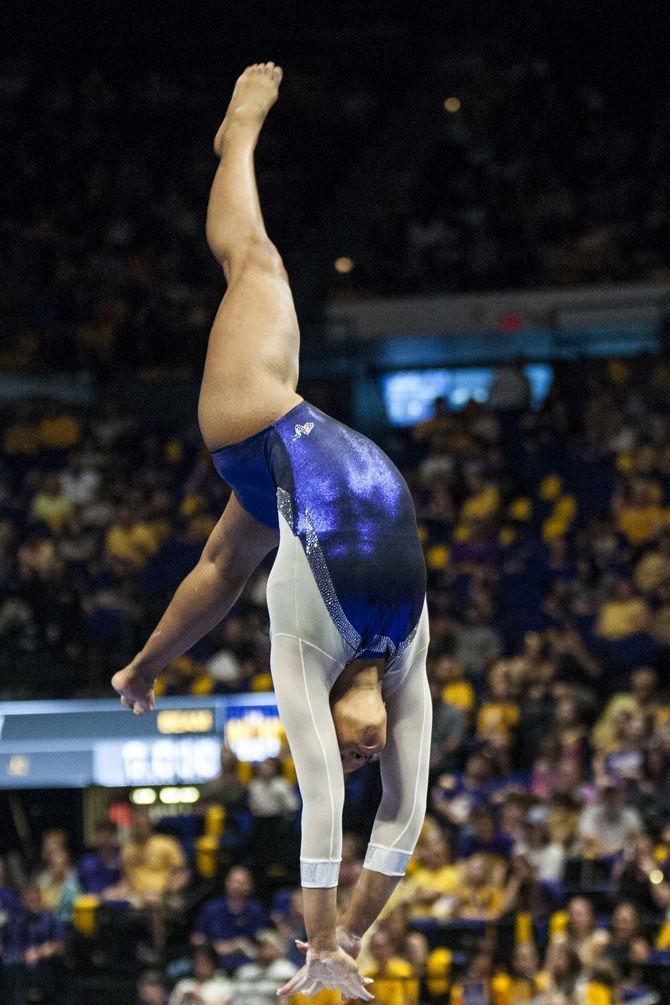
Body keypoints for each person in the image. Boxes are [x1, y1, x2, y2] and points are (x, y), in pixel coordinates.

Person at [112, 64, 431, 1000]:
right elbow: (405, 810)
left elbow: (323, 798)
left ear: (331, 716)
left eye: (350, 746)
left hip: (257, 422)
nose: (362, 753)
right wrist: (353, 936)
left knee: (256, 264)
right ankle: (140, 664)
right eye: (368, 748)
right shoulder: (408, 651)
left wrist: (320, 942)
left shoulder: (307, 636)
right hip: (284, 475)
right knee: (222, 557)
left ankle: (237, 138)